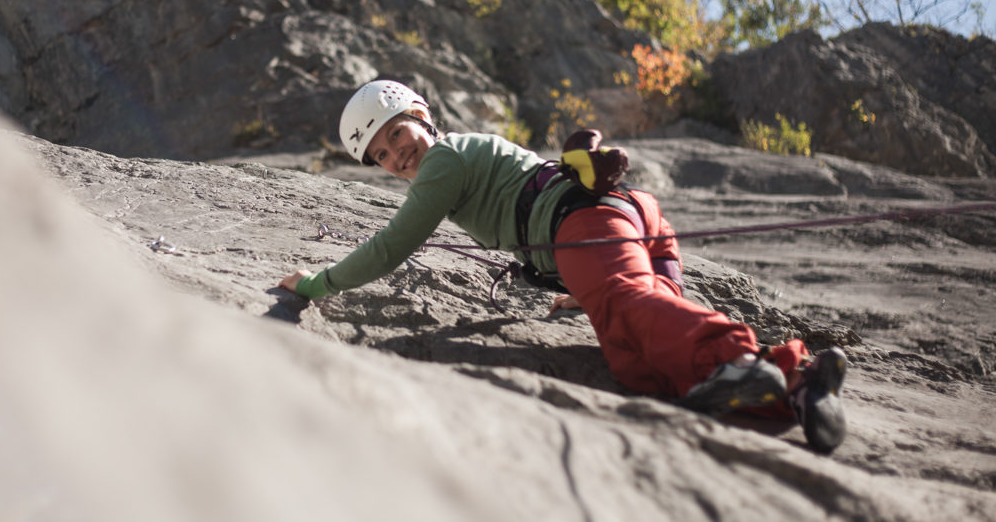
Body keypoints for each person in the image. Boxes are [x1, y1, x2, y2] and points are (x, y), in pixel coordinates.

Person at [278, 80, 848, 453]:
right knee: (632, 355)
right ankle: (796, 383)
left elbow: (393, 244)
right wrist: (584, 286)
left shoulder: (444, 161)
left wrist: (316, 284)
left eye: (397, 134)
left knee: (631, 311)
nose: (396, 154)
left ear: (423, 117)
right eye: (380, 154)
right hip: (621, 219)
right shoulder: (454, 159)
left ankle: (742, 361)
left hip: (587, 224)